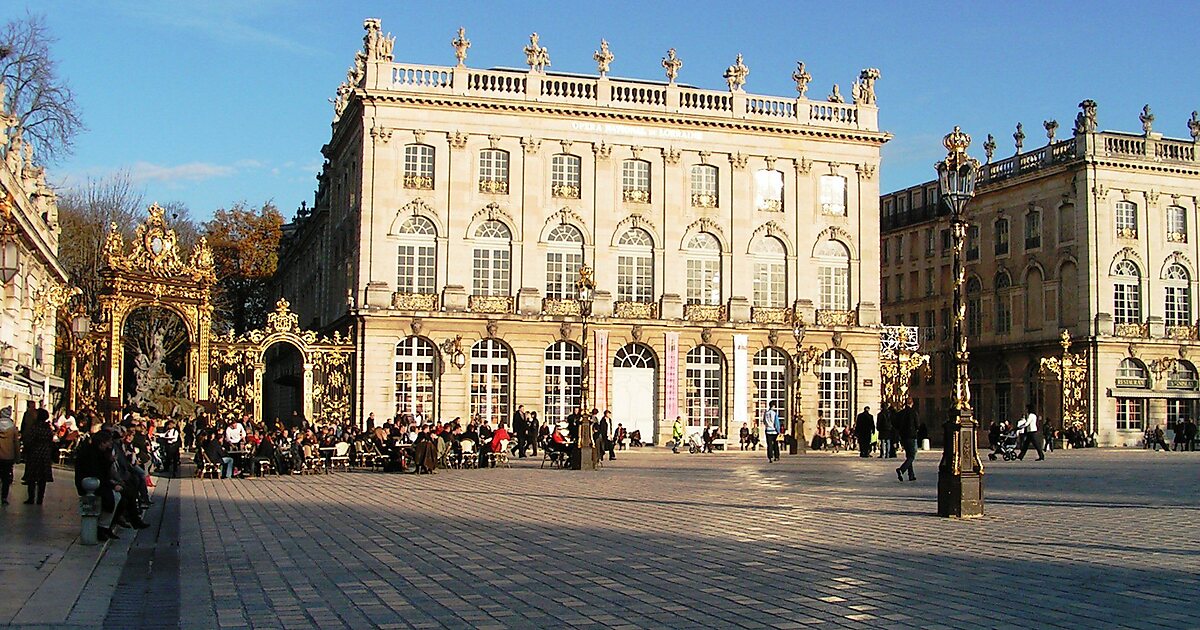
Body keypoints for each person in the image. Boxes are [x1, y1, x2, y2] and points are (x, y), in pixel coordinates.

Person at [21, 408, 54, 505]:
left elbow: (29, 439)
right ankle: (40, 499)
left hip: (35, 454)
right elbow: (50, 441)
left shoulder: (35, 427)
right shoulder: (48, 428)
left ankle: (31, 498)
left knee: (32, 477)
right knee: (42, 478)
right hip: (45, 455)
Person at [895, 400, 918, 481]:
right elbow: (917, 424)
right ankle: (901, 469)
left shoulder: (900, 413)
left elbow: (896, 424)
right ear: (912, 403)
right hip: (911, 436)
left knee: (908, 456)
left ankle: (911, 475)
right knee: (912, 456)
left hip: (903, 437)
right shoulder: (913, 412)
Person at [0, 408, 18, 504]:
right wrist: (17, 456)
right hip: (8, 457)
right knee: (6, 478)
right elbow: (16, 443)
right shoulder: (12, 428)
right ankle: (4, 497)